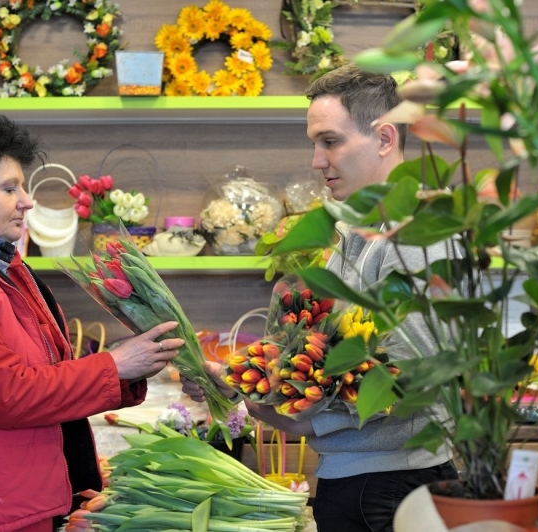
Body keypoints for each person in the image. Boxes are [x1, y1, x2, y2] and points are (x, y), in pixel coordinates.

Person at [182, 64, 459, 532]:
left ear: (385, 139)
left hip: (392, 486)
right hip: (363, 482)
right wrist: (240, 382)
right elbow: (321, 355)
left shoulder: (416, 234)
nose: (316, 160)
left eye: (330, 141)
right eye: (315, 143)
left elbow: (412, 377)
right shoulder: (359, 233)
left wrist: (305, 424)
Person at [0, 112, 185, 531]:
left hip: (9, 502)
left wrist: (136, 366)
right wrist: (114, 365)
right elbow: (1, 393)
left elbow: (46, 380)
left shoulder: (2, 270)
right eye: (9, 188)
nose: (27, 200)